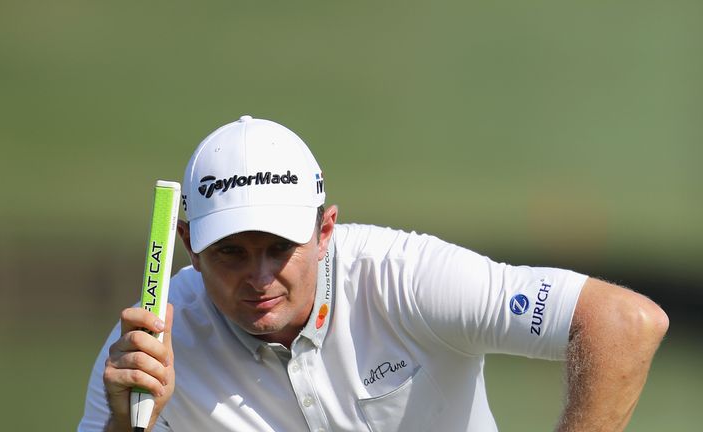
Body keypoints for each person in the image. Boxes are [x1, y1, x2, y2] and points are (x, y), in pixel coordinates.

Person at [78, 115, 668, 432]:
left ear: (326, 229)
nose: (259, 278)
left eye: (280, 249)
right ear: (188, 245)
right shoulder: (149, 346)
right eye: (231, 253)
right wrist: (130, 431)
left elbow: (625, 322)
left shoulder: (405, 278)